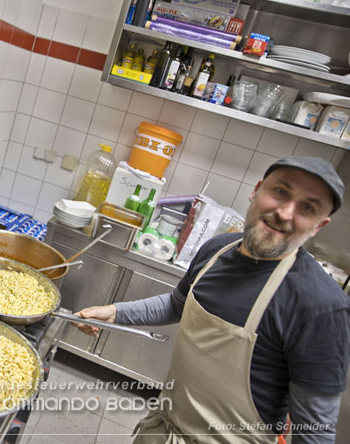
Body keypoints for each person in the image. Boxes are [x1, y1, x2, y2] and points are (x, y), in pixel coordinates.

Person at [74, 156, 350, 444]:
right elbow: (176, 305)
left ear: (319, 226)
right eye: (280, 191)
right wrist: (114, 312)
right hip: (162, 432)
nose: (284, 212)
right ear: (256, 191)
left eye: (307, 207)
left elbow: (315, 433)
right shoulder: (215, 251)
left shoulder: (321, 308)